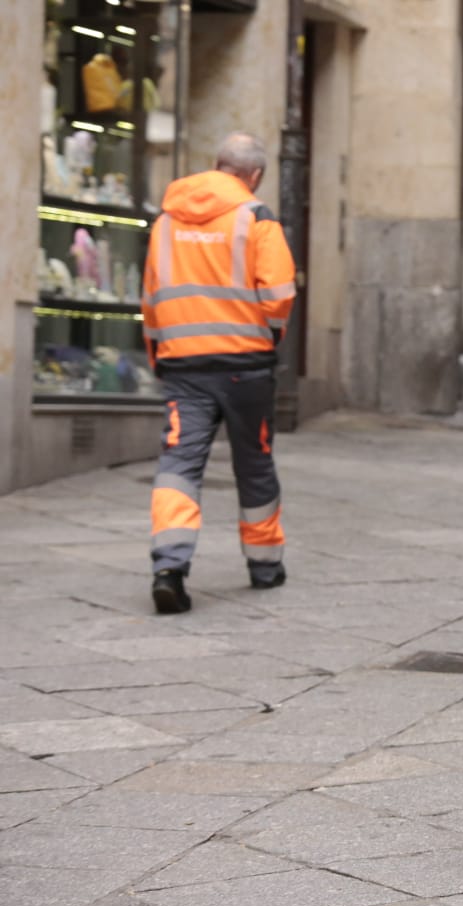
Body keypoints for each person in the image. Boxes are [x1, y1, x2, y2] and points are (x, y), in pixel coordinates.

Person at [140, 132, 296, 614]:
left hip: (183, 366)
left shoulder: (166, 220)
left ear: (217, 164)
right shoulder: (256, 217)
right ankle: (264, 565)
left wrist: (159, 355)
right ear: (254, 175)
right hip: (244, 368)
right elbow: (279, 294)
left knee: (179, 465)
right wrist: (268, 340)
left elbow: (150, 298)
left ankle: (169, 566)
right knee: (254, 460)